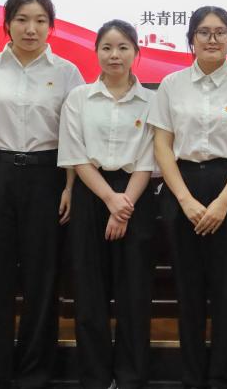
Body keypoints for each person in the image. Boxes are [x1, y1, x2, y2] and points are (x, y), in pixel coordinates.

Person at [0, 0, 85, 389]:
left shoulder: (68, 72)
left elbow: (75, 136)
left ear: (51, 26)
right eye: (21, 19)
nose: (30, 28)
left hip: (47, 175)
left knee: (42, 278)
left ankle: (35, 373)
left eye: (39, 20)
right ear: (8, 25)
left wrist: (69, 186)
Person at [148, 6, 227, 389]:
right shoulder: (171, 85)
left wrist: (224, 201)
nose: (212, 39)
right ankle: (192, 374)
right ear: (191, 39)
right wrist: (184, 200)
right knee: (188, 287)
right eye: (204, 32)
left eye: (220, 32)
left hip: (226, 187)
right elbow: (162, 146)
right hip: (181, 188)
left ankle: (225, 374)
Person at [58, 20, 157, 389]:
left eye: (123, 47)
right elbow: (76, 154)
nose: (115, 55)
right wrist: (109, 200)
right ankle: (95, 378)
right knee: (89, 293)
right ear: (96, 51)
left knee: (135, 294)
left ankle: (131, 378)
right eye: (107, 48)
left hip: (136, 196)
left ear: (136, 52)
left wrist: (123, 205)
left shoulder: (153, 101)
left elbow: (149, 158)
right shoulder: (79, 98)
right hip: (91, 193)